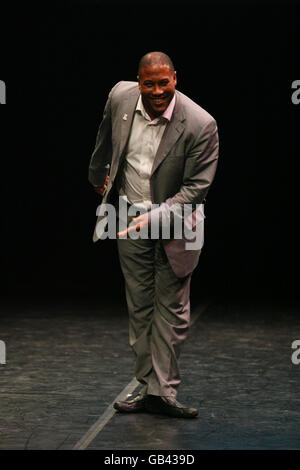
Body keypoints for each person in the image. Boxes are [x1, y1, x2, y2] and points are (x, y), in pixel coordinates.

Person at [88, 52, 219, 418]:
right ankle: (148, 388)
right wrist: (99, 175)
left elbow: (195, 189)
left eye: (165, 82)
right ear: (139, 80)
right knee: (141, 304)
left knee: (172, 309)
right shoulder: (120, 97)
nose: (158, 90)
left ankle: (165, 391)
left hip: (178, 221)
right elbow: (105, 137)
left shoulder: (199, 123)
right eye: (150, 83)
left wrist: (156, 217)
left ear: (175, 78)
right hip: (128, 215)